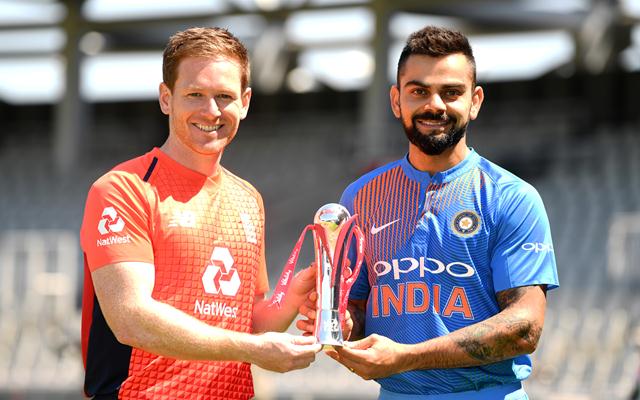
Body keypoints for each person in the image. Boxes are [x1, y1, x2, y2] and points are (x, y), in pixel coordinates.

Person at [80, 27, 321, 400]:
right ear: (166, 98)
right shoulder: (122, 189)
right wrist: (251, 349)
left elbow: (249, 320)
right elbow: (131, 319)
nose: (211, 111)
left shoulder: (248, 198)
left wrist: (292, 297)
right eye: (195, 94)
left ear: (245, 101)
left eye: (224, 96)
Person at [321, 25, 559, 399]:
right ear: (396, 100)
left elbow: (524, 327)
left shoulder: (511, 197)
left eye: (451, 92)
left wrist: (408, 357)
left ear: (475, 101)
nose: (435, 105)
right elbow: (356, 309)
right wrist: (338, 325)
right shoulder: (359, 198)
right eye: (419, 91)